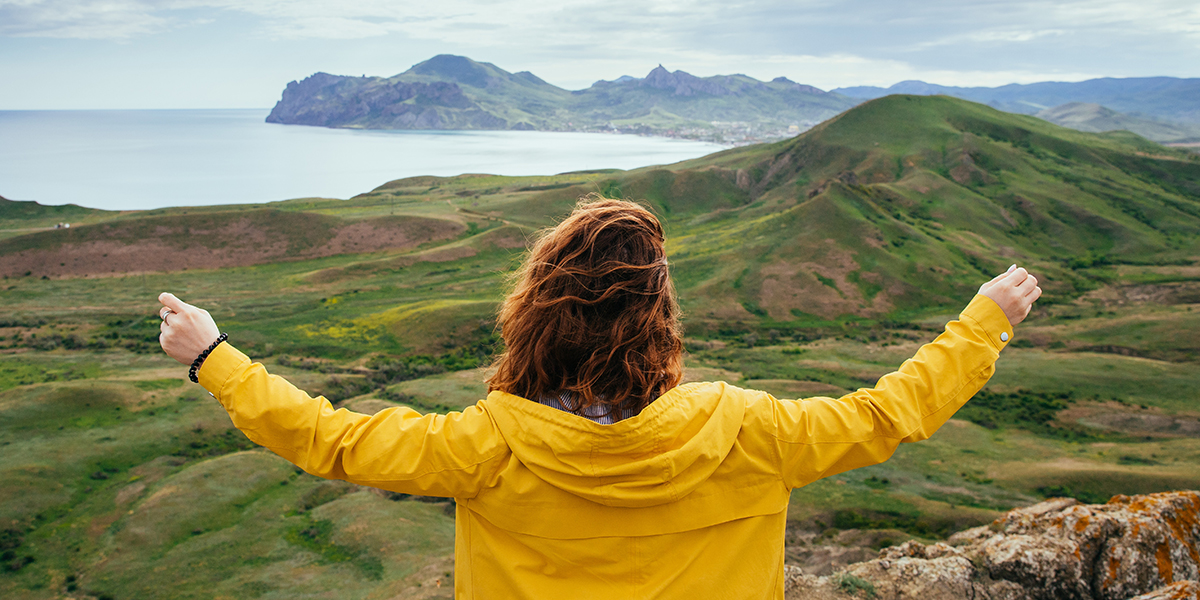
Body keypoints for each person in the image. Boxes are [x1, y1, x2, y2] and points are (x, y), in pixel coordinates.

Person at [157, 198, 1041, 600]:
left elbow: (332, 441)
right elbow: (890, 414)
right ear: (660, 323)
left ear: (533, 320)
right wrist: (983, 322)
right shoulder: (748, 431)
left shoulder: (486, 447)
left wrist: (214, 357)